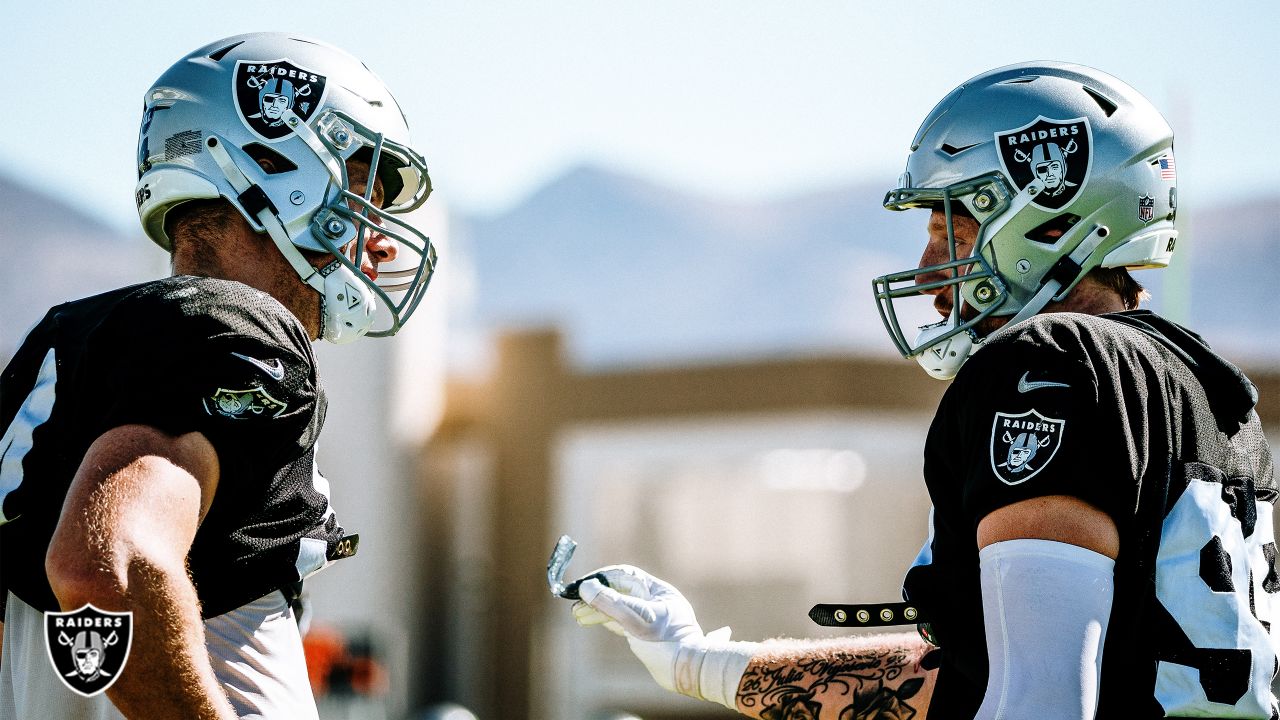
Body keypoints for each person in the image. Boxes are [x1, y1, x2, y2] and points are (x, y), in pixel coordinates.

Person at [569, 61, 1279, 718]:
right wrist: (699, 663)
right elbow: (972, 679)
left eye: (953, 230)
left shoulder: (1050, 360)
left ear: (1053, 219)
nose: (931, 270)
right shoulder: (1218, 397)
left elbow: (1042, 697)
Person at [0, 32, 437, 719]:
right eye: (360, 188)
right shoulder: (237, 326)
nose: (376, 237)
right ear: (274, 166)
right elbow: (104, 564)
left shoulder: (60, 346)